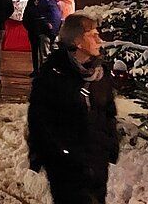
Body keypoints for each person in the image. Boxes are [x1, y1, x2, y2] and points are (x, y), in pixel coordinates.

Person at [28, 14, 119, 204]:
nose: (98, 39)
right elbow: (38, 119)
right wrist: (57, 152)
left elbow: (108, 111)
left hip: (96, 160)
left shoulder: (101, 74)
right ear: (77, 42)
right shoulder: (53, 74)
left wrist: (109, 143)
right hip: (66, 165)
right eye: (92, 35)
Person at [32, 0, 63, 70]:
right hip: (46, 31)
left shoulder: (56, 1)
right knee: (44, 54)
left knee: (52, 54)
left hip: (55, 32)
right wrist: (46, 23)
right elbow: (39, 13)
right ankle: (44, 73)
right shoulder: (46, 0)